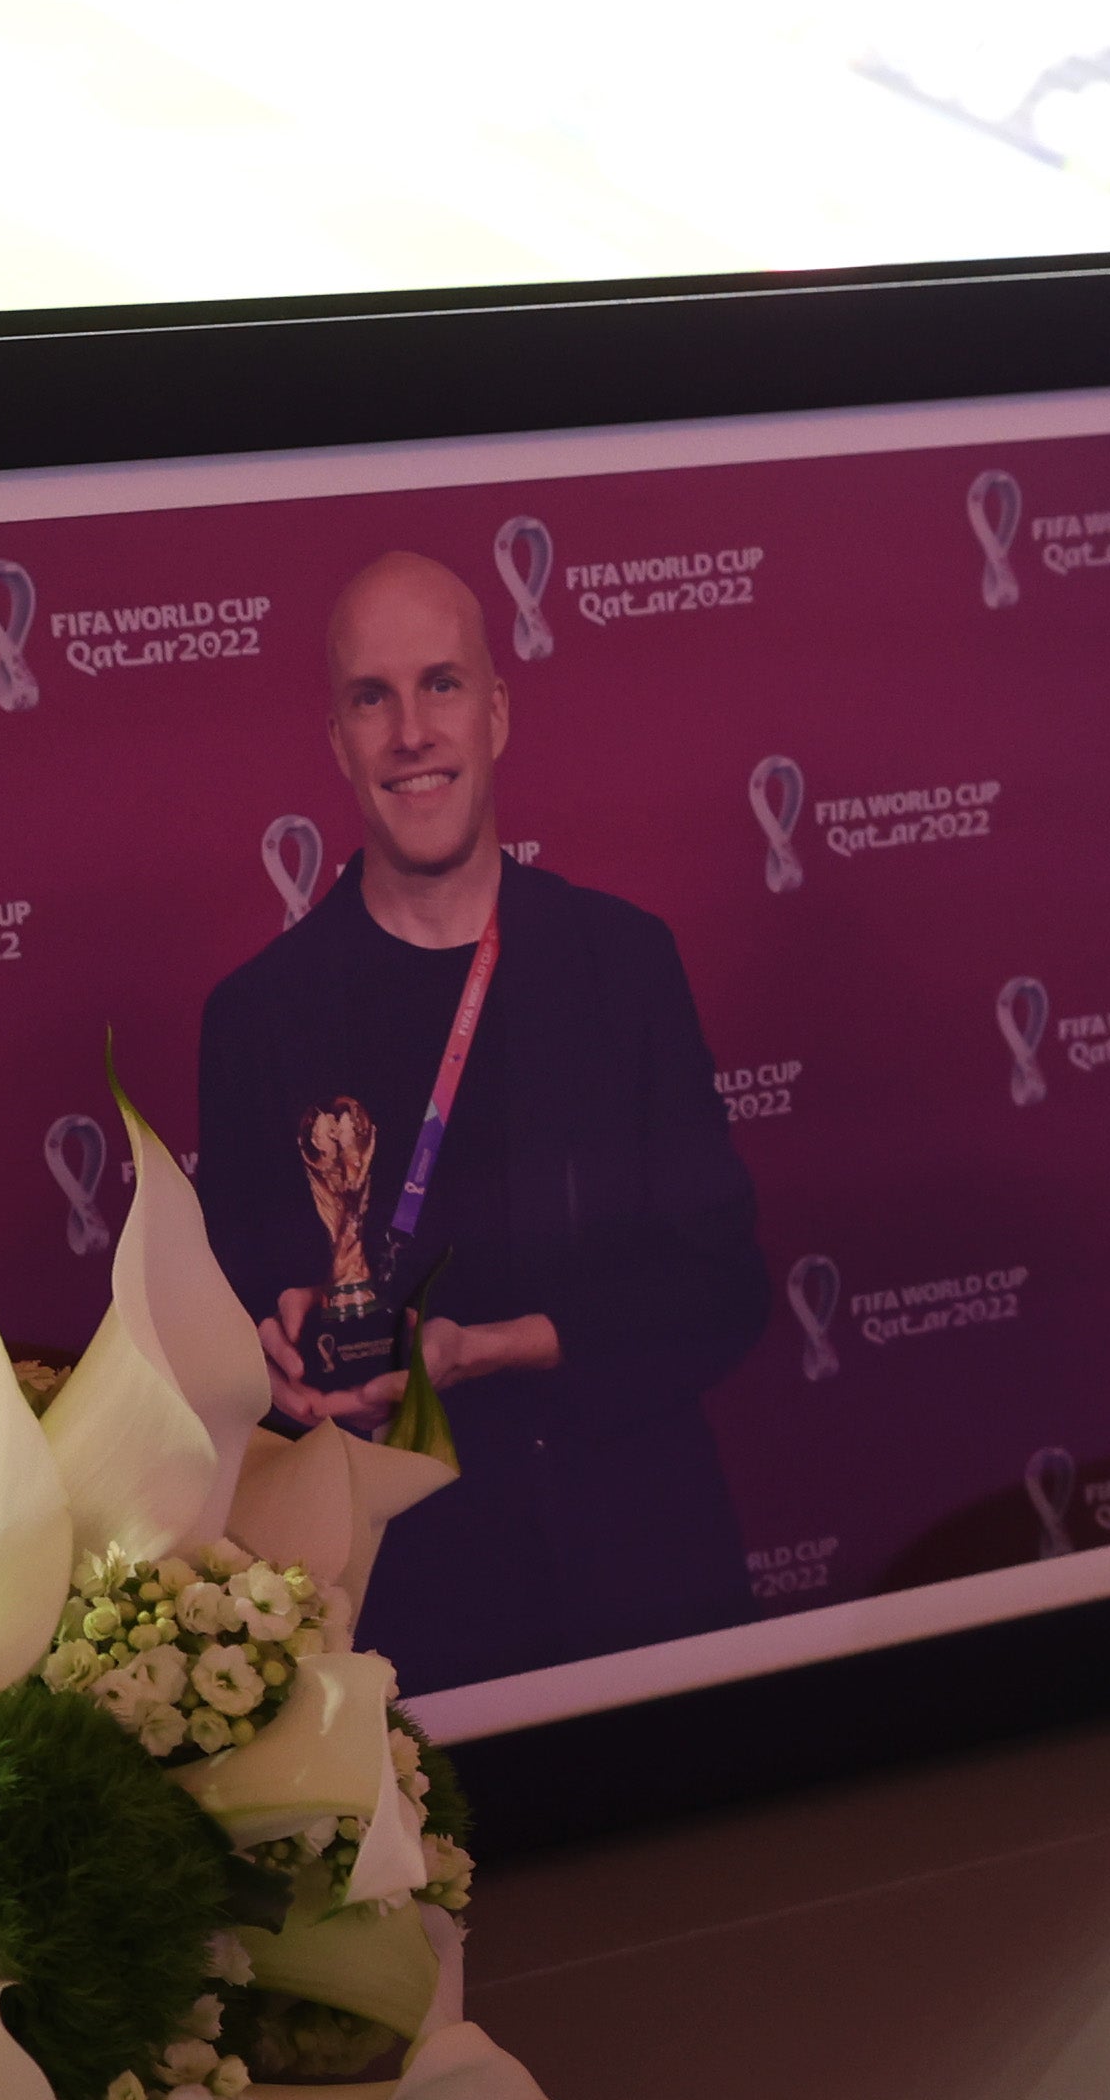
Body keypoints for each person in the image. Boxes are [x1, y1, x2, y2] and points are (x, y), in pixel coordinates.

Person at [195, 549, 767, 1683]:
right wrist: (263, 1357)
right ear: (339, 740)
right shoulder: (261, 1016)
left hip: (643, 1564)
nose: (411, 730)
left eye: (442, 685)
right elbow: (229, 1329)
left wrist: (495, 1347)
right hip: (408, 1604)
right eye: (373, 697)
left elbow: (723, 1285)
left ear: (496, 713)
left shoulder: (621, 962)